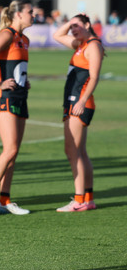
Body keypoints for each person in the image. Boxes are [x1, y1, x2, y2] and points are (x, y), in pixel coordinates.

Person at [0, 1, 33, 216]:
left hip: (20, 96)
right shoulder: (7, 34)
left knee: (14, 152)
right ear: (18, 14)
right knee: (9, 149)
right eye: (30, 12)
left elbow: (16, 67)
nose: (34, 15)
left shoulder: (25, 39)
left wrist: (23, 81)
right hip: (5, 97)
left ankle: (5, 199)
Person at [53, 14, 104, 212]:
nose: (73, 29)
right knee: (79, 152)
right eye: (71, 26)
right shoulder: (80, 44)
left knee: (73, 151)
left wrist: (82, 101)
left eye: (77, 26)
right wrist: (71, 22)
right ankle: (87, 199)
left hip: (79, 103)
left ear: (87, 25)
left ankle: (79, 199)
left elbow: (94, 77)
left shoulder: (92, 45)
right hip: (74, 102)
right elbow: (58, 35)